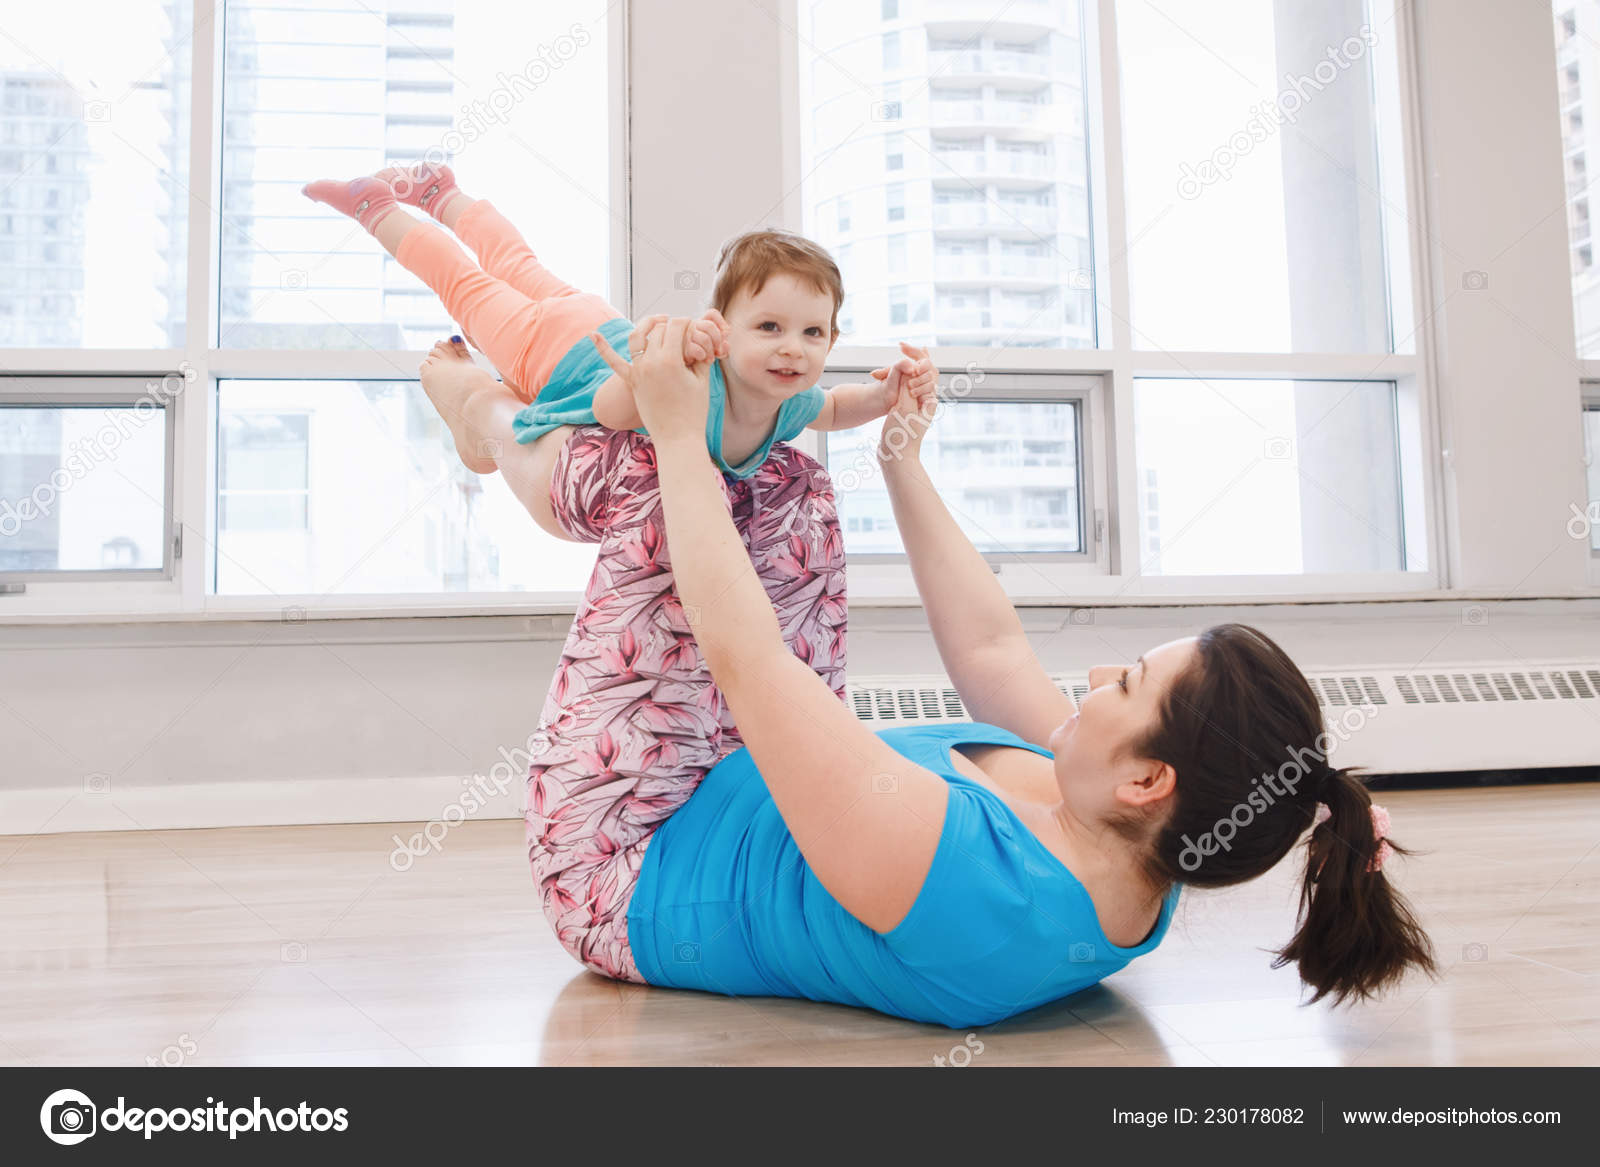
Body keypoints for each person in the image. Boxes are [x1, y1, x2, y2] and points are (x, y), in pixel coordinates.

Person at [417, 320, 1437, 1028]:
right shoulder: (1133, 845)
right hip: (731, 783)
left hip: (626, 856)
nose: (1095, 676)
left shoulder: (975, 885)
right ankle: (545, 407)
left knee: (652, 483)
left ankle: (488, 421)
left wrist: (679, 429)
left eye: (1125, 683)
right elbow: (992, 650)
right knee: (788, 485)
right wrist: (900, 455)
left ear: (1148, 779)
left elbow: (745, 657)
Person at [301, 163, 935, 543]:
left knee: (514, 263)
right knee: (465, 283)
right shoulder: (695, 376)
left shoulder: (788, 404)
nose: (792, 350)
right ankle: (375, 207)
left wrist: (886, 395)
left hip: (596, 320)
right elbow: (608, 409)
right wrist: (661, 373)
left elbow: (837, 408)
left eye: (813, 334)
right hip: (549, 354)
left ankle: (442, 193)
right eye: (769, 327)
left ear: (831, 340)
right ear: (720, 328)